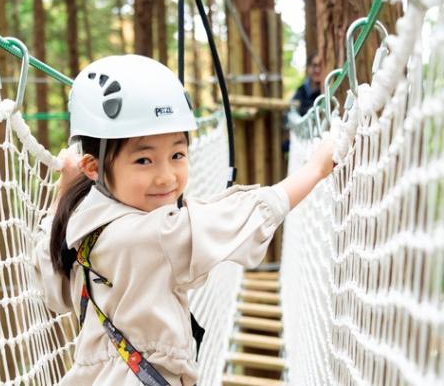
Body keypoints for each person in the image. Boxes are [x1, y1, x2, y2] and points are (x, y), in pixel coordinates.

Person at [33, 55, 334, 385]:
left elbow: (55, 292)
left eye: (177, 155)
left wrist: (64, 189)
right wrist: (315, 170)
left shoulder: (80, 222)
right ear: (93, 168)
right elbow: (249, 213)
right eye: (144, 160)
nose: (166, 177)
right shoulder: (157, 234)